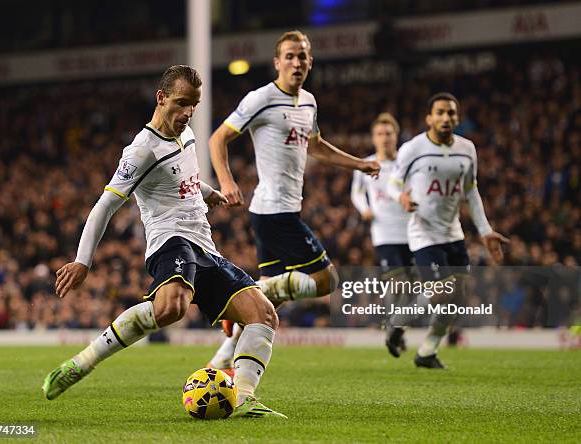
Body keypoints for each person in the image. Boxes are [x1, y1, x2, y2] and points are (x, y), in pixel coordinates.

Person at [42, 65, 286, 418]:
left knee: (264, 314)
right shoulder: (141, 150)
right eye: (182, 103)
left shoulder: (185, 136)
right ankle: (83, 362)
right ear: (161, 98)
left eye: (194, 105)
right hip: (170, 241)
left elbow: (183, 180)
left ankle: (245, 398)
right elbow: (105, 205)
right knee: (172, 306)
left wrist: (209, 193)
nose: (188, 113)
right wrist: (83, 261)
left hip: (204, 245)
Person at [206, 30, 381, 373]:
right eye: (289, 56)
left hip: (280, 210)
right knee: (327, 280)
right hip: (274, 212)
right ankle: (247, 294)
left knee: (271, 305)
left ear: (310, 62)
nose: (296, 62)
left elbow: (316, 145)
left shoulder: (309, 102)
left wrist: (359, 163)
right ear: (277, 62)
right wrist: (226, 181)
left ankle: (221, 362)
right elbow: (218, 139)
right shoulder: (262, 98)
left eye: (302, 56)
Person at [388, 92, 509, 368]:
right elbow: (393, 182)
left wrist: (485, 230)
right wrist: (401, 197)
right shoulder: (413, 148)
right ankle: (398, 322)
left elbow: (471, 191)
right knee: (442, 291)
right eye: (440, 112)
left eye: (451, 113)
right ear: (429, 118)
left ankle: (427, 352)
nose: (446, 117)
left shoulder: (467, 149)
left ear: (457, 117)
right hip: (424, 233)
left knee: (456, 298)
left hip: (453, 234)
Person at [350, 112, 412, 358]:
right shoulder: (366, 164)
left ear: (396, 136)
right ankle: (393, 325)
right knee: (398, 283)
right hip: (384, 233)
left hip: (412, 232)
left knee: (411, 289)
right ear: (373, 138)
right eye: (380, 134)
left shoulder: (405, 165)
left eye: (389, 133)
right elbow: (356, 193)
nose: (384, 138)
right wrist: (365, 209)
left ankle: (397, 327)